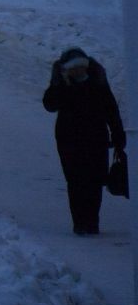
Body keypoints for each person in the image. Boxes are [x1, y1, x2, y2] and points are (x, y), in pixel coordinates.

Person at [43, 47, 126, 235]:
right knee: (75, 180)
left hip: (95, 138)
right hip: (68, 140)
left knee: (96, 180)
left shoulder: (97, 80)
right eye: (74, 68)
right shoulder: (62, 84)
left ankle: (92, 222)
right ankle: (80, 222)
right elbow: (49, 105)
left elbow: (111, 109)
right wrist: (60, 85)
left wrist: (118, 135)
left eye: (81, 67)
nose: (78, 71)